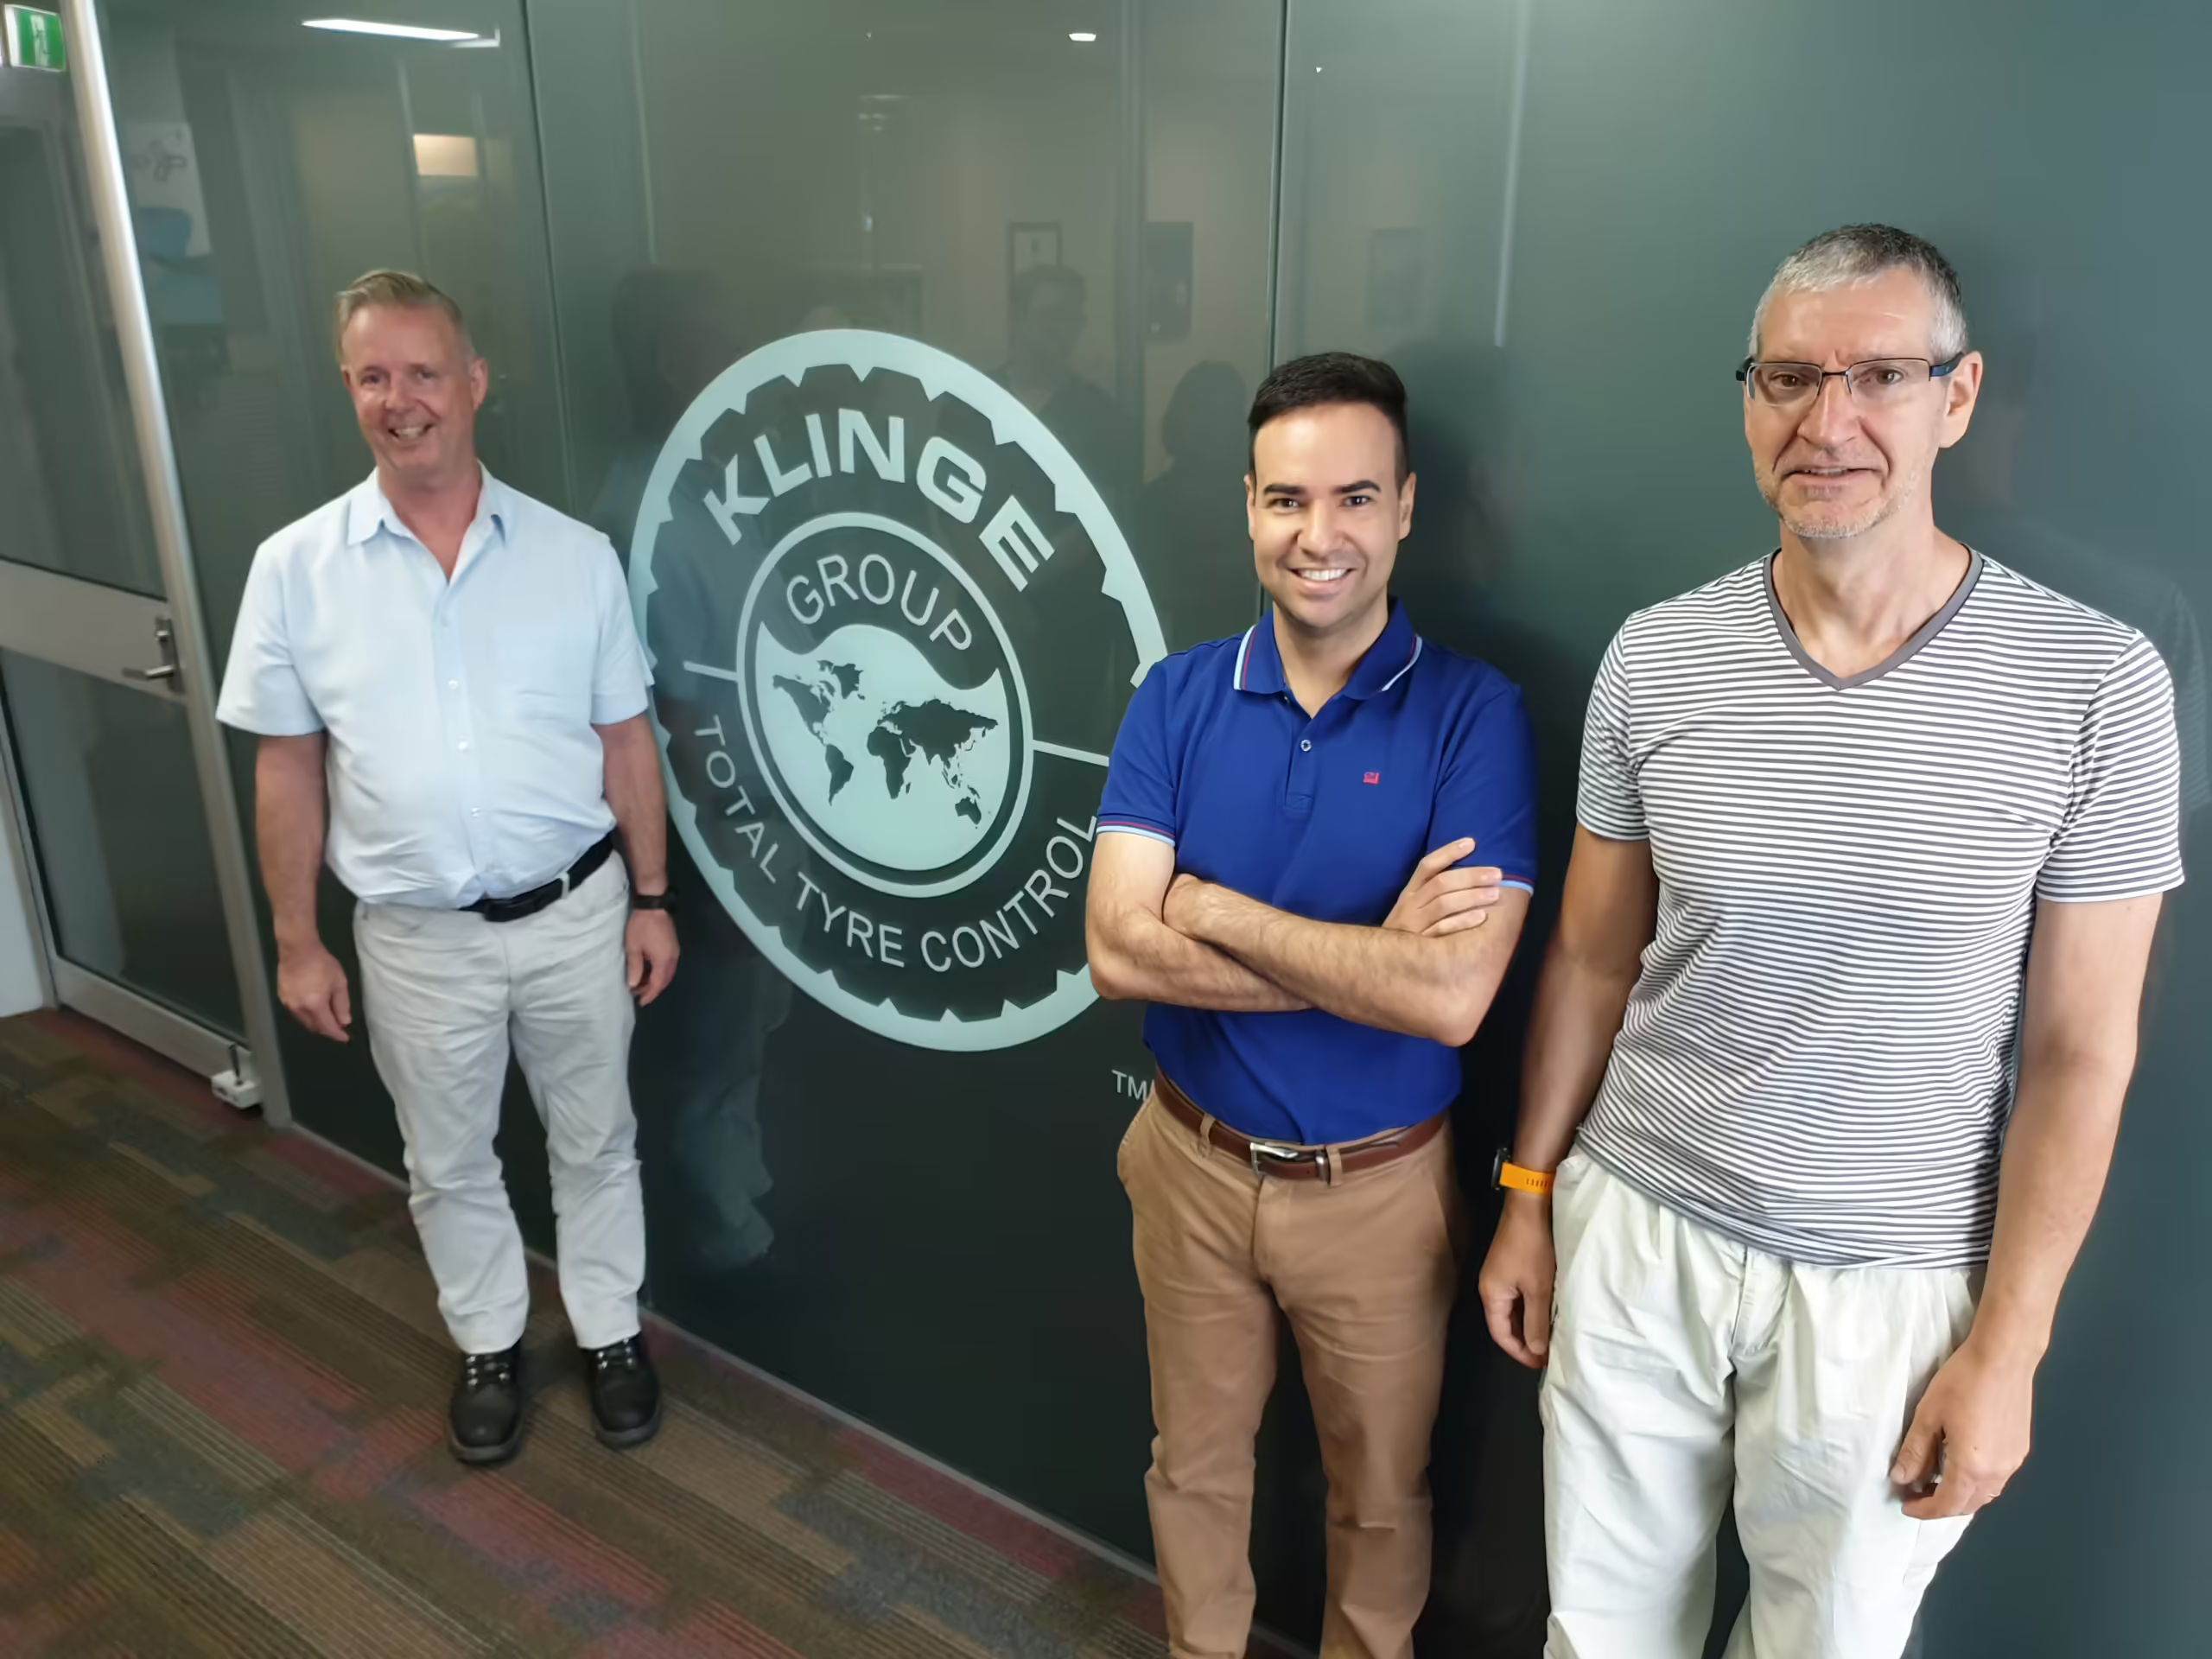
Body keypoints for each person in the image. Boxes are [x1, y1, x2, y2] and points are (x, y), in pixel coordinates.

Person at [1477, 225, 2183, 1658]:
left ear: (1958, 398)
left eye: (1880, 376)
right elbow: (1593, 961)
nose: (1828, 420)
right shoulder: (1657, 655)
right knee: (1597, 1636)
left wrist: (2010, 1347)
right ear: (1750, 402)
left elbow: (2080, 1054)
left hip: (1892, 1288)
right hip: (1640, 1232)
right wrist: (1529, 1193)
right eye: (1789, 378)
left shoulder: (2098, 683)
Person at [1088, 352, 1541, 1659]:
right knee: (1192, 1470)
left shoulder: (1474, 715)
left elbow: (1449, 996)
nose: (1318, 534)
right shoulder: (1177, 695)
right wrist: (1365, 959)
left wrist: (1217, 911)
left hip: (1380, 1198)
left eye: (1354, 498)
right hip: (1189, 1163)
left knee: (1381, 1502)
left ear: (1405, 508)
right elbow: (1117, 951)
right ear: (1247, 507)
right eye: (1286, 500)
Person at [216, 270, 680, 1465]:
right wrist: (296, 941)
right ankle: (489, 1342)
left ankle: (610, 1332)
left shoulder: (573, 557)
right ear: (348, 388)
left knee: (598, 1141)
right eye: (374, 376)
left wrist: (651, 898)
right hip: (417, 939)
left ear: (473, 384)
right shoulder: (295, 570)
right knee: (448, 1161)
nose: (401, 400)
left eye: (424, 372)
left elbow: (627, 741)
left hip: (577, 915)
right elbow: (287, 771)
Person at [995, 263, 1136, 509]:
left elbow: (1109, 508)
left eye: (1070, 318)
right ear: (1017, 320)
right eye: (1048, 315)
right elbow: (950, 506)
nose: (1059, 329)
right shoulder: (975, 402)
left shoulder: (1100, 414)